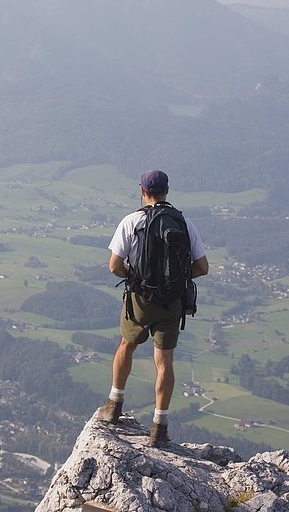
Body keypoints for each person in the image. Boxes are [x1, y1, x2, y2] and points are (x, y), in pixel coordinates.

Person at [98, 170, 209, 447]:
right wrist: (175, 281)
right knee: (164, 361)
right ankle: (159, 427)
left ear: (142, 191)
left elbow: (114, 266)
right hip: (172, 302)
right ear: (167, 191)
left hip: (141, 298)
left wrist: (136, 277)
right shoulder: (183, 223)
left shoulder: (131, 221)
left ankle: (114, 406)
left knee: (126, 345)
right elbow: (202, 267)